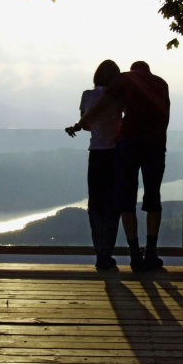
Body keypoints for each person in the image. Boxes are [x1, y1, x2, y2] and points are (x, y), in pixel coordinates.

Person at [67, 60, 170, 272]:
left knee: (118, 201)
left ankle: (127, 255)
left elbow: (96, 111)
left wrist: (78, 125)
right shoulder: (159, 83)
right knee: (150, 198)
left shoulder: (119, 82)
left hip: (118, 148)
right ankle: (151, 252)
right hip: (146, 146)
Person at [66, 60, 122, 270]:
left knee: (96, 205)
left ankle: (100, 253)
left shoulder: (87, 95)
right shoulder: (118, 96)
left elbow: (87, 123)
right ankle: (108, 253)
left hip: (96, 154)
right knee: (113, 206)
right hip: (116, 154)